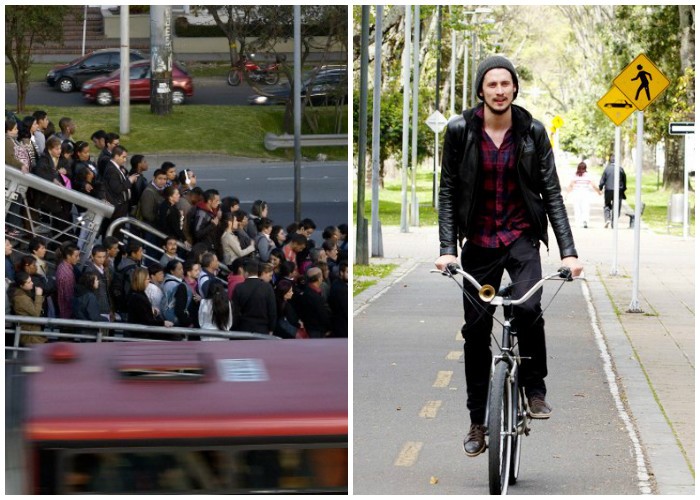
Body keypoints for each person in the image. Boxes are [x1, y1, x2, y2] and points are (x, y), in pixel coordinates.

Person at [434, 55, 583, 457]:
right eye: (492, 84)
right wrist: (448, 250)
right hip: (479, 243)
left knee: (529, 307)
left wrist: (568, 253)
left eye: (506, 84)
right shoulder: (460, 131)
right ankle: (478, 422)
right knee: (475, 333)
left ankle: (535, 390)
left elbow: (551, 193)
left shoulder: (532, 132)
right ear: (481, 90)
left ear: (514, 88)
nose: (499, 90)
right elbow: (447, 192)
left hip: (520, 240)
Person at [231, 259, 276, 335]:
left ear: (246, 273)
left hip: (243, 329)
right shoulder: (267, 287)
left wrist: (234, 328)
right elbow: (272, 311)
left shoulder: (239, 288)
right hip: (262, 330)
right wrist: (271, 329)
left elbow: (235, 312)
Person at [125, 268, 174, 336]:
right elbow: (146, 320)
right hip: (139, 336)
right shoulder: (138, 297)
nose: (149, 281)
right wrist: (163, 323)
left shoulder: (137, 294)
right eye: (148, 279)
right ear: (142, 280)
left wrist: (152, 311)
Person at [9, 271, 46, 346]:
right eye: (28, 282)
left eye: (31, 280)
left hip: (32, 333)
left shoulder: (22, 293)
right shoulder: (21, 298)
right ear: (21, 286)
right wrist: (38, 295)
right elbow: (36, 313)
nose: (32, 283)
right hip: (30, 336)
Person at [294, 267, 332, 338]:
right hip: (317, 330)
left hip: (310, 328)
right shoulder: (315, 296)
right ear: (319, 278)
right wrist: (329, 327)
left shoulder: (305, 292)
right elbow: (323, 314)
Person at [567, 161, 601, 229]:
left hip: (576, 193)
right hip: (585, 193)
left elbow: (571, 185)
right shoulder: (588, 175)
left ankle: (577, 223)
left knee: (577, 208)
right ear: (585, 168)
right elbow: (593, 185)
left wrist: (567, 194)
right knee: (585, 208)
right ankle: (585, 221)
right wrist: (598, 191)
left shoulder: (575, 175)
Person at [161, 259, 193, 328]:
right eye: (179, 269)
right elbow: (178, 308)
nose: (182, 271)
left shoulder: (169, 281)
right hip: (174, 320)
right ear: (172, 271)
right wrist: (187, 322)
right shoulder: (174, 285)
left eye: (182, 268)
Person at [599, 155, 627, 228]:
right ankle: (614, 222)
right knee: (616, 206)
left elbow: (602, 180)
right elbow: (624, 180)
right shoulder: (620, 169)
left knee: (607, 204)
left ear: (610, 161)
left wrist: (600, 187)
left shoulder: (607, 169)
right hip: (618, 190)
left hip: (608, 190)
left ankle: (607, 219)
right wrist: (623, 189)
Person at [55, 244, 81, 320]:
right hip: (68, 314)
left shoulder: (62, 266)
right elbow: (69, 297)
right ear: (68, 256)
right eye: (76, 256)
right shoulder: (66, 274)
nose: (79, 258)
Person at [328, 261, 348, 338]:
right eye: (348, 272)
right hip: (342, 327)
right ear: (341, 273)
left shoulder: (338, 284)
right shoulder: (340, 289)